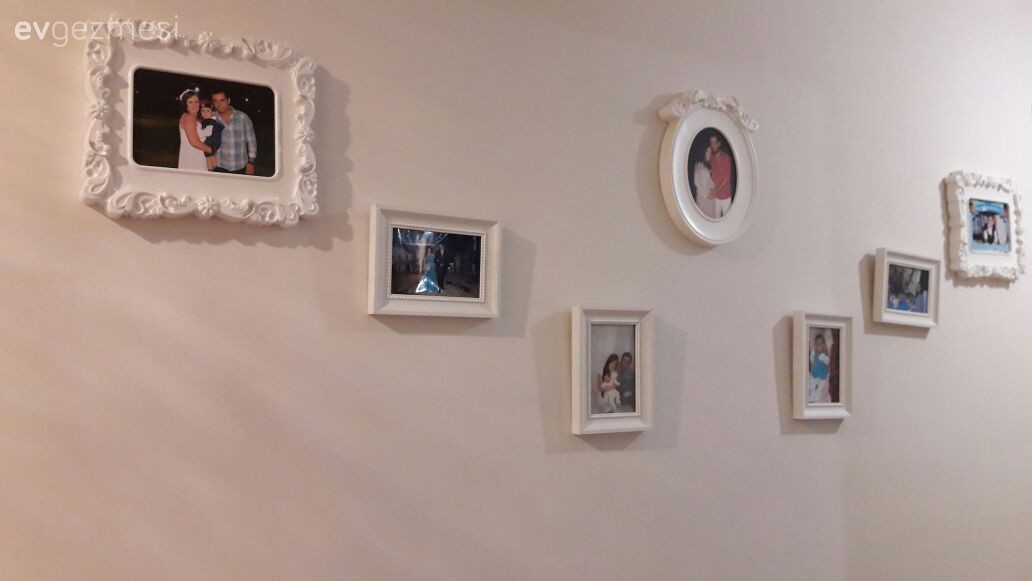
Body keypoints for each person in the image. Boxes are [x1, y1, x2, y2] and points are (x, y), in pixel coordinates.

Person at [210, 88, 258, 175]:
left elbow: (251, 141)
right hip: (218, 165)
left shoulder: (243, 117)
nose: (219, 104)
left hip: (240, 166)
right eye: (215, 101)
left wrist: (251, 162)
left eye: (222, 100)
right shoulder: (211, 119)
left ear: (228, 101)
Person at [177, 90, 212, 171]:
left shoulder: (191, 117)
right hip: (193, 158)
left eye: (196, 101)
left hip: (195, 155)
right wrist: (211, 150)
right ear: (185, 104)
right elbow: (194, 142)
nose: (194, 105)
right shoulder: (189, 117)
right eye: (190, 102)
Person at [708, 134, 733, 218]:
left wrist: (716, 190)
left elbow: (727, 178)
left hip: (726, 197)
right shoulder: (711, 158)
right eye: (711, 143)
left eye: (715, 143)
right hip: (716, 198)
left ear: (719, 144)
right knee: (715, 220)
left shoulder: (726, 157)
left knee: (727, 221)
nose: (713, 146)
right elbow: (712, 175)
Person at [198, 102, 225, 171]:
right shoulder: (211, 121)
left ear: (213, 113)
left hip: (209, 147)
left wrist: (197, 134)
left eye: (208, 111)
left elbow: (208, 132)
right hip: (213, 148)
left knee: (209, 166)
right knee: (213, 164)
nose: (205, 113)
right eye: (203, 111)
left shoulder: (210, 121)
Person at [807, 334, 831, 404]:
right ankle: (811, 396)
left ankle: (816, 398)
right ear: (815, 345)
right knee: (811, 385)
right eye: (817, 344)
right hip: (814, 374)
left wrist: (824, 358)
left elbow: (828, 362)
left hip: (822, 376)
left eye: (821, 344)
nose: (819, 346)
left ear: (824, 345)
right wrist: (812, 355)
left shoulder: (825, 354)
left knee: (820, 388)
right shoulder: (814, 353)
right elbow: (812, 361)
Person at [692, 149, 716, 218]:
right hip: (703, 198)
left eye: (710, 152)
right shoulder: (699, 165)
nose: (709, 154)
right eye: (707, 151)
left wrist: (715, 191)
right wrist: (706, 195)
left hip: (711, 200)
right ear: (703, 152)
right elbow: (697, 182)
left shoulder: (712, 164)